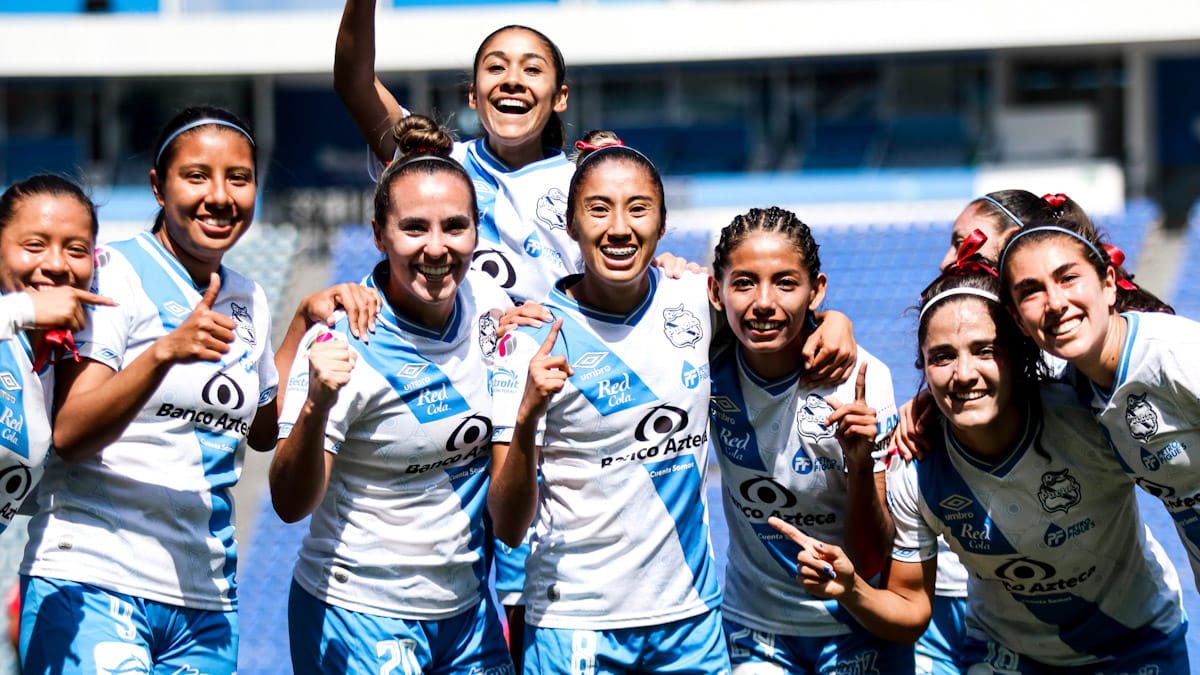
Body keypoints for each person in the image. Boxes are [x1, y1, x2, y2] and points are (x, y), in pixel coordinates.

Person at [17, 106, 372, 674]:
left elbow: (259, 428)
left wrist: (301, 324)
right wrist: (163, 353)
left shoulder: (246, 296)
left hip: (204, 600)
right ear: (158, 186)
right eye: (196, 176)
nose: (220, 195)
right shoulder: (114, 274)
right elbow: (72, 432)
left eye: (239, 177)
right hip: (96, 577)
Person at [774, 264, 1189, 672]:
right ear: (922, 368)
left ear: (1018, 355)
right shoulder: (915, 466)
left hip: (1135, 645)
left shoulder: (1087, 417)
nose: (964, 374)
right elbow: (910, 610)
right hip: (1008, 657)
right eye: (942, 357)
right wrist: (853, 590)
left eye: (984, 351)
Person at [270, 115, 515, 674]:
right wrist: (316, 407)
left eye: (455, 226)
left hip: (469, 614)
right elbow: (287, 502)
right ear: (379, 234)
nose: (437, 248)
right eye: (414, 228)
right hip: (360, 612)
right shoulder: (342, 338)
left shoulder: (490, 301)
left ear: (477, 232)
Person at [488, 142, 730, 674]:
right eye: (599, 209)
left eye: (638, 208)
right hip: (576, 622)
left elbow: (783, 314)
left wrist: (834, 326)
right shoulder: (532, 339)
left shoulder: (694, 300)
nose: (619, 227)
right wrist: (526, 418)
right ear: (571, 226)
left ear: (662, 225)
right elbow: (507, 526)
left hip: (692, 619)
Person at [705, 206, 910, 673]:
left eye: (785, 282)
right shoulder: (704, 357)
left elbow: (872, 554)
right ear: (716, 292)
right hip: (755, 626)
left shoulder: (860, 377)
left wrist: (860, 465)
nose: (762, 301)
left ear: (816, 290)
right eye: (743, 283)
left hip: (855, 624)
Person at [997, 212, 1200, 591]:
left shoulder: (1175, 354)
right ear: (1018, 320)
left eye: (1068, 277)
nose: (1055, 302)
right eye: (1031, 291)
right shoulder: (1076, 392)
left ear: (1109, 284)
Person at [0, 175, 113, 532]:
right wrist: (24, 310)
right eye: (34, 245)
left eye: (76, 250)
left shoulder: (55, 366)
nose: (56, 264)